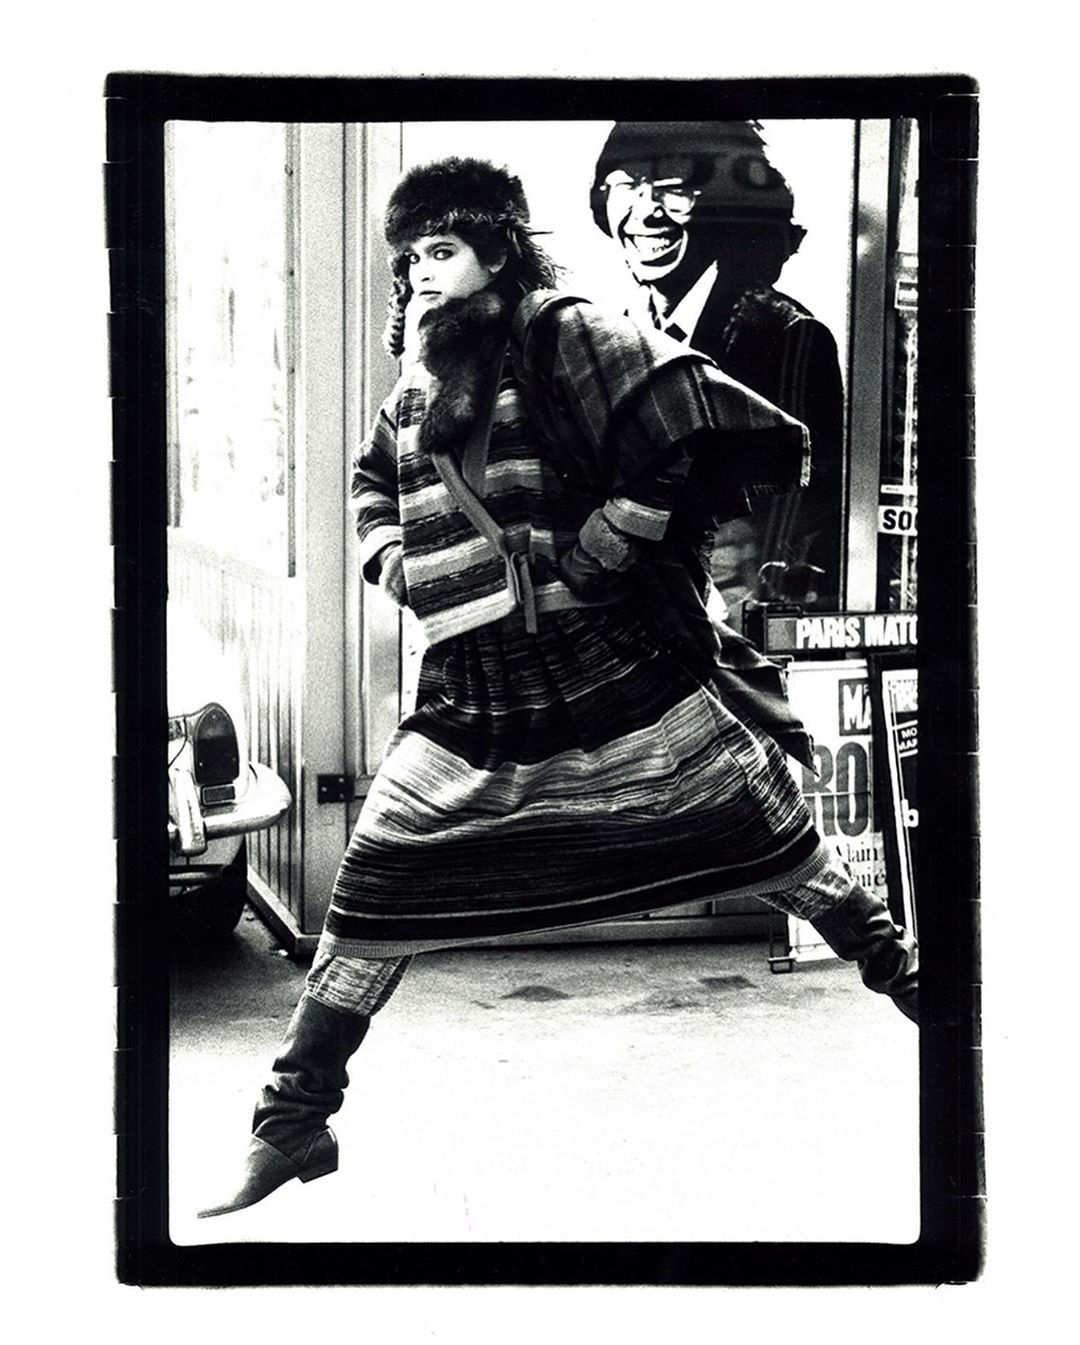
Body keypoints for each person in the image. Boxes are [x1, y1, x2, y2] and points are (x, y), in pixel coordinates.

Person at [198, 156, 917, 1220]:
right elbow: (371, 480)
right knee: (375, 885)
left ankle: (916, 984)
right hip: (471, 685)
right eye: (410, 256)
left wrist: (605, 546)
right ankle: (292, 1122)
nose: (421, 272)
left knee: (768, 833)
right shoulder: (423, 367)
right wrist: (395, 560)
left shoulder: (561, 328)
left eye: (442, 249)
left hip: (612, 665)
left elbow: (686, 422)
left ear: (498, 251)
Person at [590, 121, 846, 624]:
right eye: (627, 184)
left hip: (726, 628)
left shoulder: (787, 335)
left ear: (725, 203)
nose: (645, 210)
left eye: (674, 187)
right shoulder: (612, 337)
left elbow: (798, 518)